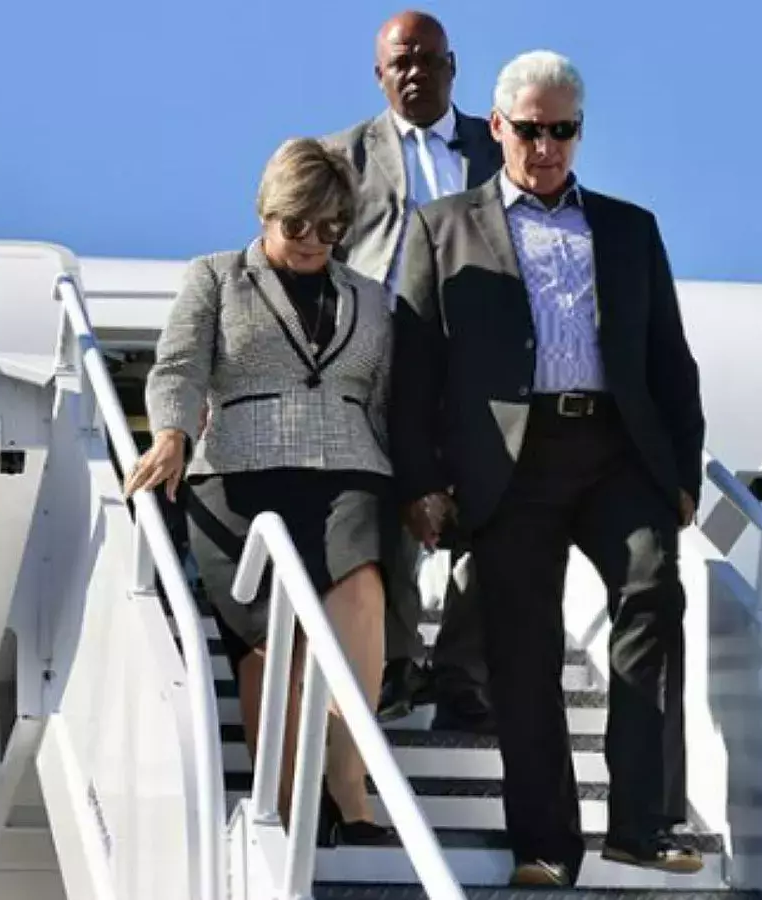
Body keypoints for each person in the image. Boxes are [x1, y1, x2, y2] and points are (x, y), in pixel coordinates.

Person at [391, 50, 707, 886]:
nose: (546, 146)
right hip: (508, 463)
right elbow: (415, 366)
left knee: (652, 597)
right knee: (524, 657)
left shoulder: (630, 227)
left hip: (618, 453)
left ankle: (642, 824)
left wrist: (684, 470)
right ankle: (543, 845)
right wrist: (422, 480)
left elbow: (671, 360)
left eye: (562, 130)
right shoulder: (442, 227)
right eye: (530, 130)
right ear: (498, 129)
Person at [125, 138, 393, 846]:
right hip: (240, 478)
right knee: (273, 647)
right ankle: (285, 809)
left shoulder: (372, 298)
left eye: (331, 226)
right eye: (296, 225)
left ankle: (351, 791)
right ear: (268, 214)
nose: (313, 241)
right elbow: (178, 368)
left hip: (348, 465)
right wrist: (173, 435)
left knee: (362, 594)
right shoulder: (215, 277)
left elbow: (392, 397)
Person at [324, 9, 503, 730]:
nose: (415, 71)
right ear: (379, 74)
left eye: (428, 59)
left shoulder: (497, 152)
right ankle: (395, 662)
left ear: (452, 66)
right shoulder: (343, 156)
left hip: (473, 363)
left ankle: (463, 673)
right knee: (379, 507)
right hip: (377, 351)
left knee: (495, 512)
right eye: (400, 61)